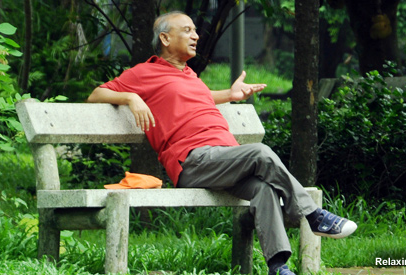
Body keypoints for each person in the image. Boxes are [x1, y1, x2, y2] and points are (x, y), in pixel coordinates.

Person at [86, 11, 357, 275]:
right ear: (166, 39)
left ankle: (278, 267)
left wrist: (230, 94)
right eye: (187, 31)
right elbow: (96, 94)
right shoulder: (144, 73)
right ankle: (314, 216)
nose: (196, 36)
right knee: (260, 153)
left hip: (223, 159)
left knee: (264, 189)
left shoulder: (189, 75)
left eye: (195, 30)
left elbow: (192, 99)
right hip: (192, 161)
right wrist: (131, 98)